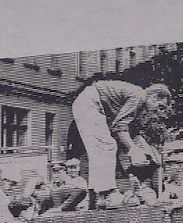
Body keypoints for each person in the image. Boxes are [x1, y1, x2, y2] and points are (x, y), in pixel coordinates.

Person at [70, 78, 173, 208]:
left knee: (100, 149)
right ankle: (108, 194)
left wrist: (140, 150)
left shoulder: (137, 103)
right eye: (160, 107)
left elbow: (127, 131)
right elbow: (120, 128)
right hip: (90, 102)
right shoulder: (139, 97)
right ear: (153, 97)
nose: (158, 112)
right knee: (106, 145)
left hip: (91, 103)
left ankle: (98, 197)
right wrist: (134, 149)